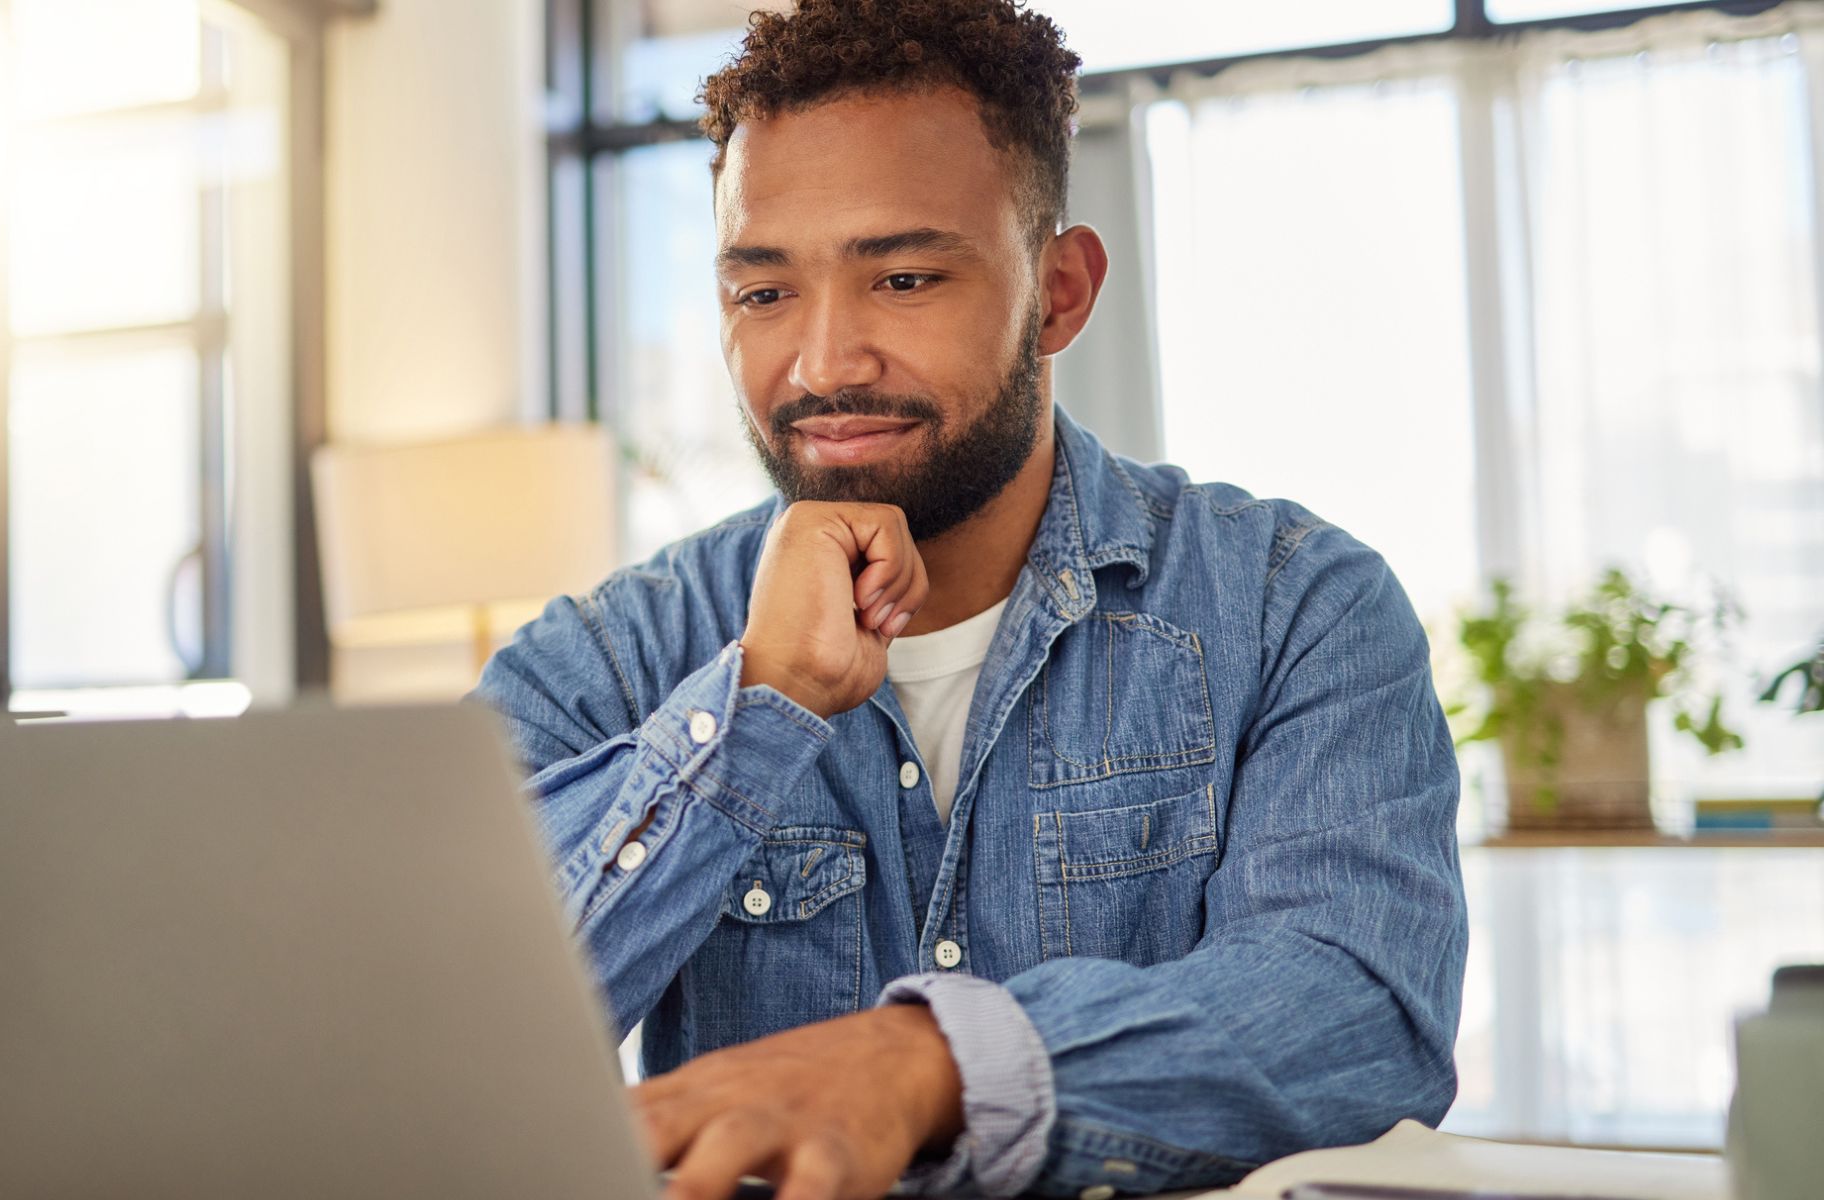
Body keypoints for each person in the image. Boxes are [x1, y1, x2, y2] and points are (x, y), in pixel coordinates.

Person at [473, 2, 1467, 1197]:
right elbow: (446, 1051)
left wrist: (925, 1065)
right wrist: (754, 711)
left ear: (1056, 293)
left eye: (900, 277)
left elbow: (1357, 1008)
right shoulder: (604, 659)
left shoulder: (1295, 604)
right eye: (762, 294)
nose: (824, 362)